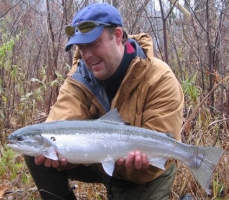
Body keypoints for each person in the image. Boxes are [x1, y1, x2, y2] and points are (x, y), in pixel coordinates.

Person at [25, 3, 184, 200]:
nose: (87, 55)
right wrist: (62, 157)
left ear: (117, 35)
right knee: (36, 150)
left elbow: (162, 150)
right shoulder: (79, 77)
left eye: (93, 44)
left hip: (145, 172)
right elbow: (60, 122)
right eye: (82, 47)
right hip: (98, 158)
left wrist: (139, 163)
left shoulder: (160, 78)